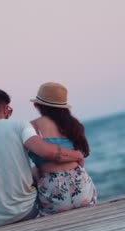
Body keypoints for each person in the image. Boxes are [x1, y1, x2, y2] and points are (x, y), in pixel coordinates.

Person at [0, 89, 85, 228]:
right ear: (5, 109)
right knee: (33, 169)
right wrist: (77, 155)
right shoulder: (19, 125)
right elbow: (46, 152)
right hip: (27, 212)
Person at [28, 82, 97, 216]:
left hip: (53, 192)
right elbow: (80, 159)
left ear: (37, 105)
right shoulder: (73, 125)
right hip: (82, 187)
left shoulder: (32, 127)